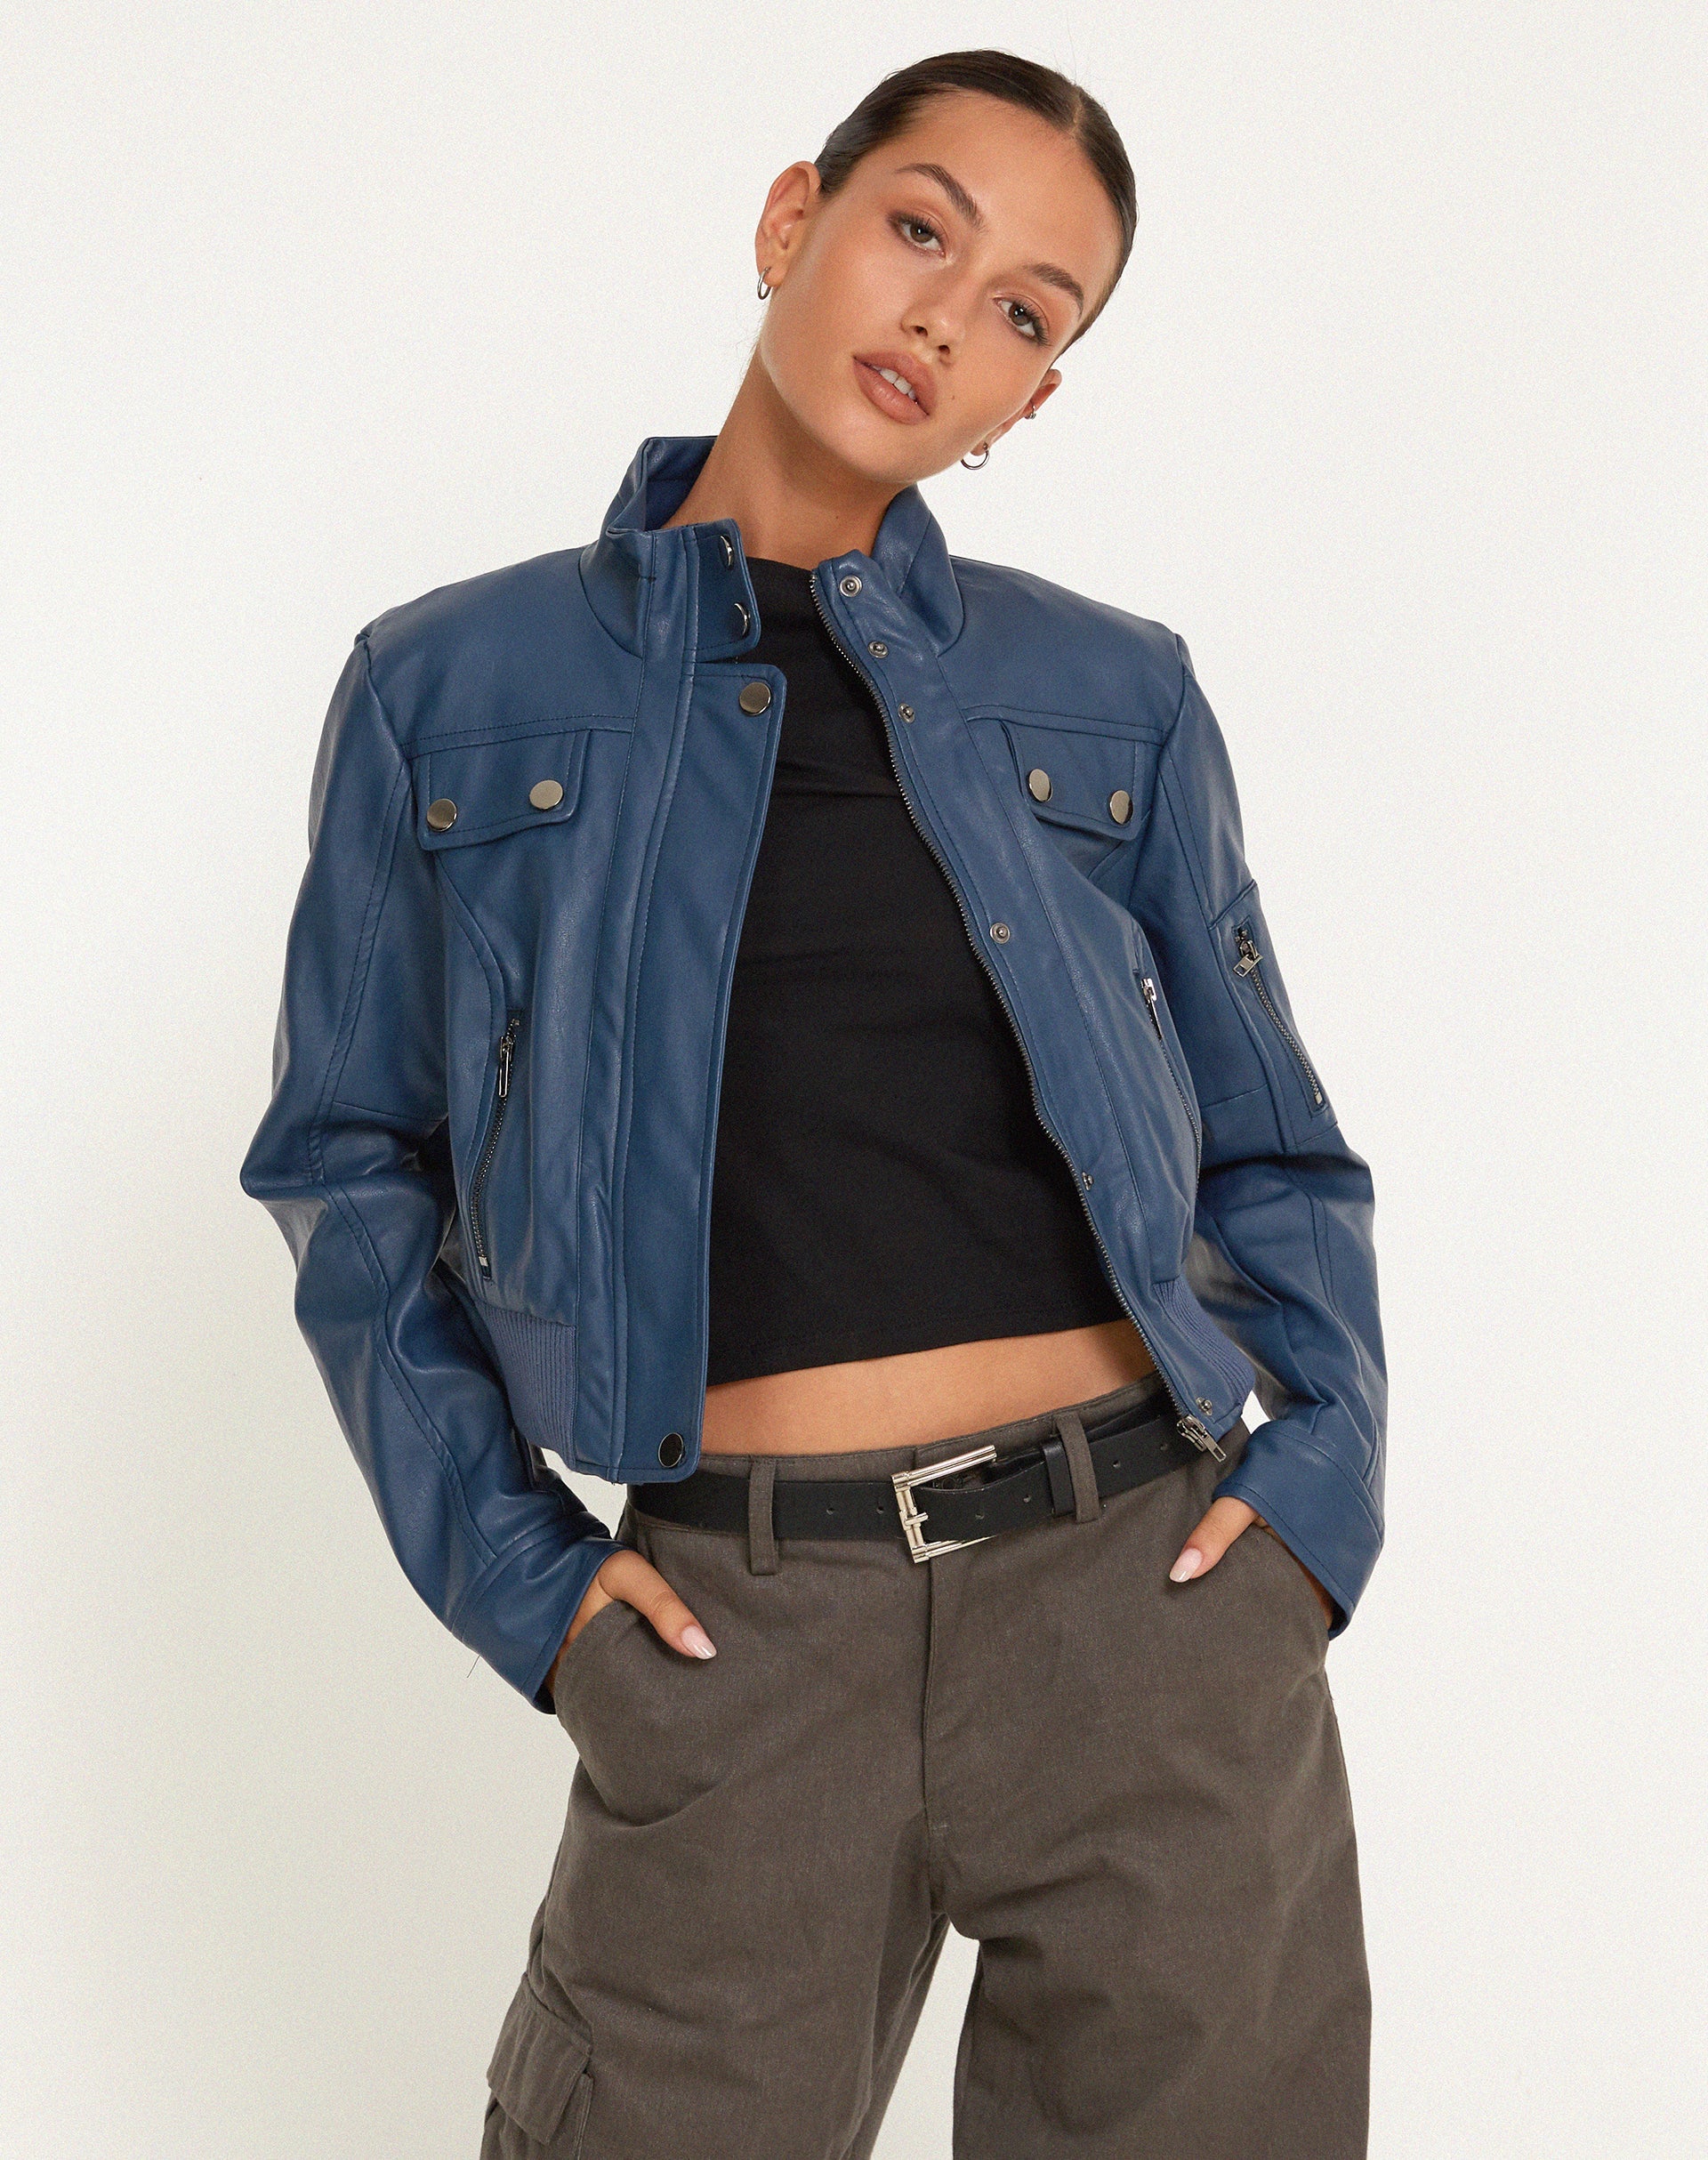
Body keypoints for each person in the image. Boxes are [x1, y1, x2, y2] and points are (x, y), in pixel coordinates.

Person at [240, 46, 1386, 2160]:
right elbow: (346, 1165)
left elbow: (1274, 1142)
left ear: (1032, 398)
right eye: (920, 227)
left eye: (1026, 309)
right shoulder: (452, 687)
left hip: (1150, 1608)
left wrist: (1315, 1495)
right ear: (796, 219)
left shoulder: (1115, 691)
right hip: (741, 1632)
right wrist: (526, 1580)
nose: (948, 317)